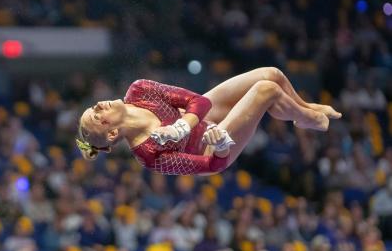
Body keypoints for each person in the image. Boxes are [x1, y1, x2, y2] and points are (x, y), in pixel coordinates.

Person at [77, 67, 341, 175]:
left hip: (203, 116)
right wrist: (221, 145)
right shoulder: (148, 153)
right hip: (213, 143)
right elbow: (211, 165)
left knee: (272, 74)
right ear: (112, 135)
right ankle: (309, 119)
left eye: (93, 107)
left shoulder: (139, 90)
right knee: (266, 91)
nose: (99, 105)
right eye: (97, 116)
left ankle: (303, 109)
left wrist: (182, 126)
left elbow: (200, 102)